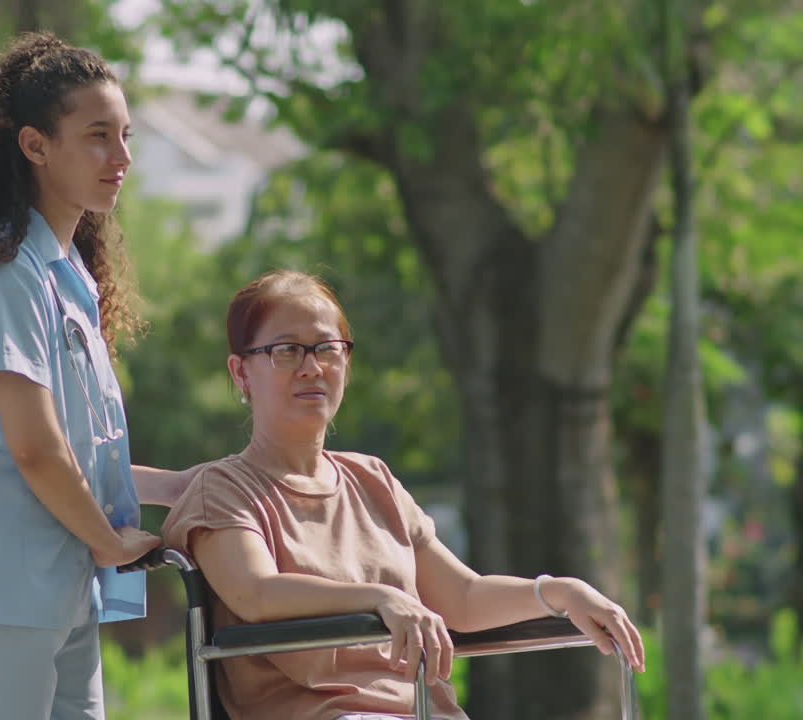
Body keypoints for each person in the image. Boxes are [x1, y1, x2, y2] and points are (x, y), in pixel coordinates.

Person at [161, 270, 646, 720]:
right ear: (241, 373)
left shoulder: (374, 480)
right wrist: (382, 599)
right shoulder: (223, 492)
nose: (312, 367)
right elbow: (258, 593)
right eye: (286, 351)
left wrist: (559, 592)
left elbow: (463, 597)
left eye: (327, 349)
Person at [0, 33, 189, 720]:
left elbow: (77, 452)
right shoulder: (3, 271)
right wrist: (112, 543)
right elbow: (34, 448)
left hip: (60, 584)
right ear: (34, 145)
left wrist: (177, 487)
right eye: (98, 136)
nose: (123, 157)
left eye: (126, 135)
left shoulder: (68, 275)